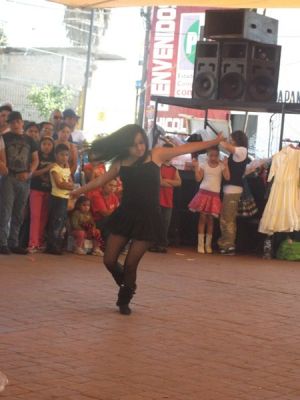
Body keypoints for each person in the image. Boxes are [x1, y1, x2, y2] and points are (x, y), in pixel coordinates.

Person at [72, 124, 223, 315]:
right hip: (125, 215)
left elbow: (186, 148)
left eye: (142, 143)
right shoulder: (121, 162)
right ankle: (127, 284)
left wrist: (214, 142)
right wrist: (77, 192)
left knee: (131, 263)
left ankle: (125, 297)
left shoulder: (156, 155)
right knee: (109, 260)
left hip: (149, 218)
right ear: (125, 145)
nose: (140, 148)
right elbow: (99, 181)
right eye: (135, 145)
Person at [0, 111, 39, 255]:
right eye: (12, 122)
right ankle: (2, 243)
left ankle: (14, 242)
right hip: (9, 177)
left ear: (22, 123)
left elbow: (35, 159)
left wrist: (29, 173)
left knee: (19, 212)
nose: (16, 124)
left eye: (18, 121)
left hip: (25, 179)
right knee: (5, 210)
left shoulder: (30, 140)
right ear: (9, 124)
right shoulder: (4, 138)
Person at [189, 146, 230, 254]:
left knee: (211, 220)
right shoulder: (204, 165)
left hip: (214, 195)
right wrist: (196, 167)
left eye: (216, 155)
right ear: (207, 156)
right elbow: (198, 178)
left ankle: (208, 245)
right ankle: (200, 245)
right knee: (202, 218)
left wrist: (226, 166)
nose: (213, 158)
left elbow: (227, 177)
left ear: (219, 155)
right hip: (203, 193)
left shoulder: (221, 165)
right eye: (211, 155)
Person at [218, 131, 249, 255]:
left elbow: (227, 147)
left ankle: (229, 245)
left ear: (237, 139)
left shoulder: (242, 151)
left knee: (228, 218)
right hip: (230, 188)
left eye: (231, 138)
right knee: (227, 217)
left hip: (233, 190)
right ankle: (227, 243)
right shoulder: (236, 153)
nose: (230, 140)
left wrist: (219, 140)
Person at [149, 143, 181, 253]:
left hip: (168, 200)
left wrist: (166, 181)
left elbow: (179, 182)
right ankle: (153, 243)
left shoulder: (174, 169)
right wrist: (171, 183)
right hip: (157, 199)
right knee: (155, 222)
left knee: (165, 223)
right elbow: (159, 182)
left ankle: (162, 244)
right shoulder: (158, 166)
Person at [28, 136, 55, 253]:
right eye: (44, 144)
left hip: (49, 191)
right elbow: (32, 174)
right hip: (36, 189)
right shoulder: (35, 156)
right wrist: (46, 169)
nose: (47, 146)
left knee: (44, 217)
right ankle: (33, 243)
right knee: (35, 217)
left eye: (49, 144)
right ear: (40, 145)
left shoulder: (55, 157)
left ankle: (39, 241)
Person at [46, 143, 74, 255]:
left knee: (61, 222)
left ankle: (57, 244)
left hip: (65, 197)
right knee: (55, 222)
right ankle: (51, 246)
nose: (64, 157)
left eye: (66, 155)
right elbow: (59, 184)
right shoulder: (54, 168)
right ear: (56, 155)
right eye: (62, 154)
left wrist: (67, 184)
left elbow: (71, 183)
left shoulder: (67, 169)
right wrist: (68, 185)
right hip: (56, 198)